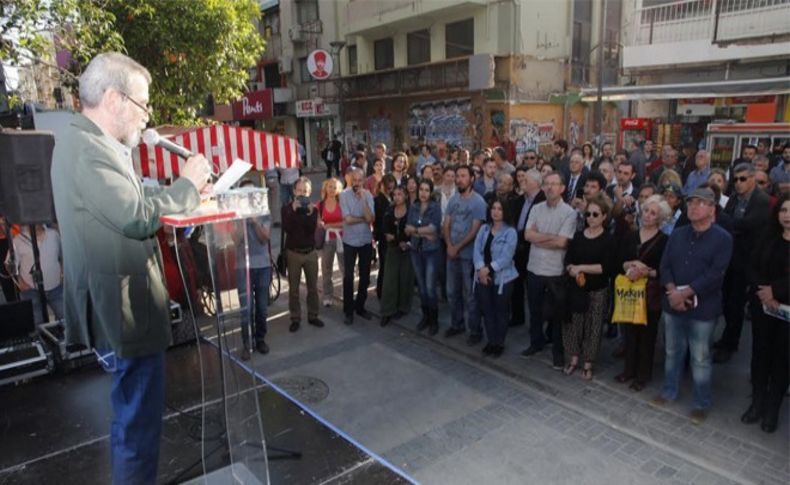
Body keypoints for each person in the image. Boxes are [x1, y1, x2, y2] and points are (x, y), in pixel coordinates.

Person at [51, 53, 211, 484]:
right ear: (114, 98)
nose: (146, 116)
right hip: (125, 311)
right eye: (142, 105)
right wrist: (187, 187)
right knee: (137, 429)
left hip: (124, 305)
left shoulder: (92, 143)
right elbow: (134, 215)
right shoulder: (87, 148)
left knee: (134, 421)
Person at [652, 187, 733, 425]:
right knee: (672, 352)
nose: (693, 207)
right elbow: (665, 265)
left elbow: (715, 274)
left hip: (703, 310)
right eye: (690, 203)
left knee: (700, 358)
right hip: (673, 304)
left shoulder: (723, 239)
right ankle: (669, 391)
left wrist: (685, 292)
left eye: (700, 203)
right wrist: (672, 291)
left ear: (712, 209)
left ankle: (701, 402)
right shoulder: (677, 234)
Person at [714, 163, 771, 363]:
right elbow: (728, 220)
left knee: (736, 303)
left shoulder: (761, 201)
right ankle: (726, 338)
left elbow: (745, 223)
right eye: (736, 179)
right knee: (728, 302)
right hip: (730, 257)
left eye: (743, 179)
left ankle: (731, 343)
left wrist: (726, 223)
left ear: (753, 179)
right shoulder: (734, 199)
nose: (738, 183)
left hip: (747, 262)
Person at [742, 194, 789, 433]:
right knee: (760, 354)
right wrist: (764, 292)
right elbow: (751, 265)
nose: (787, 216)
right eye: (783, 210)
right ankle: (757, 402)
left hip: (786, 313)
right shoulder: (767, 237)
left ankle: (772, 408)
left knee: (782, 359)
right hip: (763, 307)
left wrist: (775, 291)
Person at [522, 171, 578, 369]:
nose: (549, 187)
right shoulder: (536, 208)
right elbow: (528, 235)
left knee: (556, 314)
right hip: (534, 267)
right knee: (534, 310)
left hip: (555, 271)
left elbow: (562, 242)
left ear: (562, 188)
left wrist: (540, 237)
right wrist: (550, 237)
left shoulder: (570, 213)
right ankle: (536, 343)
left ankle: (557, 353)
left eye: (554, 184)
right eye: (546, 184)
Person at [614, 195, 670, 391]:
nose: (647, 215)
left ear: (660, 218)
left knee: (647, 334)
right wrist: (630, 264)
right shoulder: (631, 235)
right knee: (629, 332)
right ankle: (628, 370)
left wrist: (646, 270)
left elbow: (665, 270)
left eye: (653, 213)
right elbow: (619, 261)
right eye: (646, 210)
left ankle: (643, 375)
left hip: (649, 293)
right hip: (629, 291)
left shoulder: (664, 241)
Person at [563, 193, 616, 380]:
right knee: (573, 326)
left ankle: (588, 363)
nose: (591, 218)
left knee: (594, 329)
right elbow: (568, 260)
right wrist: (571, 269)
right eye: (588, 214)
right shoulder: (578, 236)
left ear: (604, 216)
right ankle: (574, 359)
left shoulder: (608, 239)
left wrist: (581, 268)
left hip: (598, 290)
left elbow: (605, 267)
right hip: (577, 289)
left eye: (595, 214)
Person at [443, 165, 488, 344]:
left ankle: (475, 330)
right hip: (451, 254)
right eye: (457, 176)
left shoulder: (478, 202)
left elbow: (475, 230)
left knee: (470, 295)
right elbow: (446, 224)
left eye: (463, 176)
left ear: (471, 179)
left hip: (469, 256)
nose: (459, 179)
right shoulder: (453, 200)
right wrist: (449, 245)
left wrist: (457, 247)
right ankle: (457, 324)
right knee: (452, 291)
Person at [472, 198, 518, 357]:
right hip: (482, 277)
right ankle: (491, 341)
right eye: (493, 208)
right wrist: (480, 269)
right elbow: (476, 250)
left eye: (500, 209)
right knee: (487, 310)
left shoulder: (510, 232)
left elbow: (506, 257)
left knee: (501, 311)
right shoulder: (484, 229)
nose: (496, 211)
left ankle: (499, 343)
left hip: (502, 280)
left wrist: (488, 269)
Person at [233, 180, 272, 360]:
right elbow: (235, 239)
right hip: (243, 267)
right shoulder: (236, 214)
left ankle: (260, 339)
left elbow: (265, 238)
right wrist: (242, 220)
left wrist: (255, 221)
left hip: (262, 265)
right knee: (246, 308)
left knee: (262, 307)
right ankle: (246, 343)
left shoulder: (264, 212)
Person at [282, 176, 324, 332]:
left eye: (305, 191)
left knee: (312, 287)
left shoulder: (313, 209)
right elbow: (287, 228)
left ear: (310, 192)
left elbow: (310, 230)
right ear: (294, 191)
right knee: (293, 289)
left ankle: (313, 315)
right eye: (299, 190)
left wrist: (310, 214)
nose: (302, 194)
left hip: (310, 252)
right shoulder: (286, 208)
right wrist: (293, 211)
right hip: (293, 253)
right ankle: (295, 317)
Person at [5, 224, 64, 324]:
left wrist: (63, 272)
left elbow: (63, 255)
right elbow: (9, 264)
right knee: (37, 325)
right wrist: (20, 282)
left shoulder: (54, 234)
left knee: (65, 320)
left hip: (56, 288)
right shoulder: (18, 240)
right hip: (31, 291)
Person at [406, 179, 443, 335]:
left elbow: (434, 229)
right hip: (415, 250)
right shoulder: (413, 207)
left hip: (431, 252)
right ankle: (425, 317)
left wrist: (417, 230)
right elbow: (407, 229)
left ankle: (434, 320)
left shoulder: (435, 208)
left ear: (431, 192)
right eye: (421, 189)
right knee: (421, 287)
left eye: (427, 190)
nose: (423, 193)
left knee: (430, 287)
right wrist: (423, 232)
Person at [340, 168, 375, 324]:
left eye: (359, 180)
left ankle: (360, 306)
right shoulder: (343, 195)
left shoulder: (367, 196)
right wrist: (363, 219)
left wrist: (362, 201)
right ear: (350, 180)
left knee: (365, 276)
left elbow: (371, 218)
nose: (357, 183)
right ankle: (348, 310)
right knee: (348, 276)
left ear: (363, 181)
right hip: (350, 242)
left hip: (365, 241)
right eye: (354, 180)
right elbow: (347, 219)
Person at [379, 186, 413, 327]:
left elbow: (411, 231)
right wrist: (395, 239)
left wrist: (405, 241)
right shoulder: (389, 210)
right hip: (393, 249)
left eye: (400, 194)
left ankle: (403, 307)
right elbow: (385, 229)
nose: (397, 197)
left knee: (405, 279)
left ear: (405, 196)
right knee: (390, 280)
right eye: (395, 194)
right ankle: (387, 311)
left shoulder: (411, 211)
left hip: (407, 250)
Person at [318, 178, 344, 307]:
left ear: (339, 189)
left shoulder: (342, 203)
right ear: (325, 188)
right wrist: (321, 224)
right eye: (330, 186)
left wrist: (330, 225)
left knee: (344, 268)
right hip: (327, 240)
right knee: (326, 268)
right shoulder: (320, 204)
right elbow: (317, 221)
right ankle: (327, 295)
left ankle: (347, 293)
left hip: (342, 239)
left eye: (335, 187)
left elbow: (346, 222)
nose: (332, 189)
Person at [373, 174, 396, 300]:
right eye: (388, 185)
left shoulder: (395, 198)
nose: (390, 188)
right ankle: (381, 292)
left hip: (394, 237)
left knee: (391, 266)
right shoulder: (377, 200)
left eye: (392, 185)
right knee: (384, 266)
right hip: (383, 237)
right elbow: (377, 221)